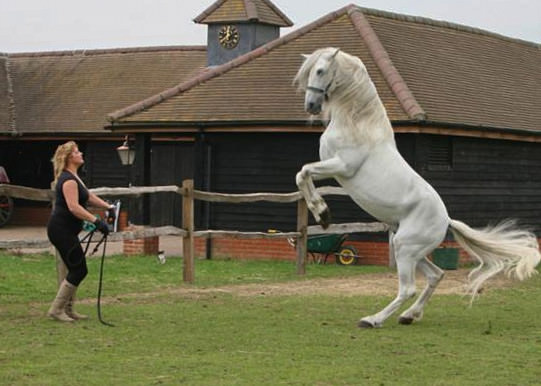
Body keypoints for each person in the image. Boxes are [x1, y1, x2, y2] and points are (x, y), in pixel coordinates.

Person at [47, 141, 113, 322]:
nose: (81, 153)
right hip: (61, 230)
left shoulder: (74, 177)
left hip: (66, 230)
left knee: (74, 268)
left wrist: (108, 206)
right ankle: (56, 309)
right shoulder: (68, 180)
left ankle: (68, 310)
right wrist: (96, 221)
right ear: (70, 158)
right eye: (77, 152)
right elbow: (74, 207)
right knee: (79, 269)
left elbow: (89, 196)